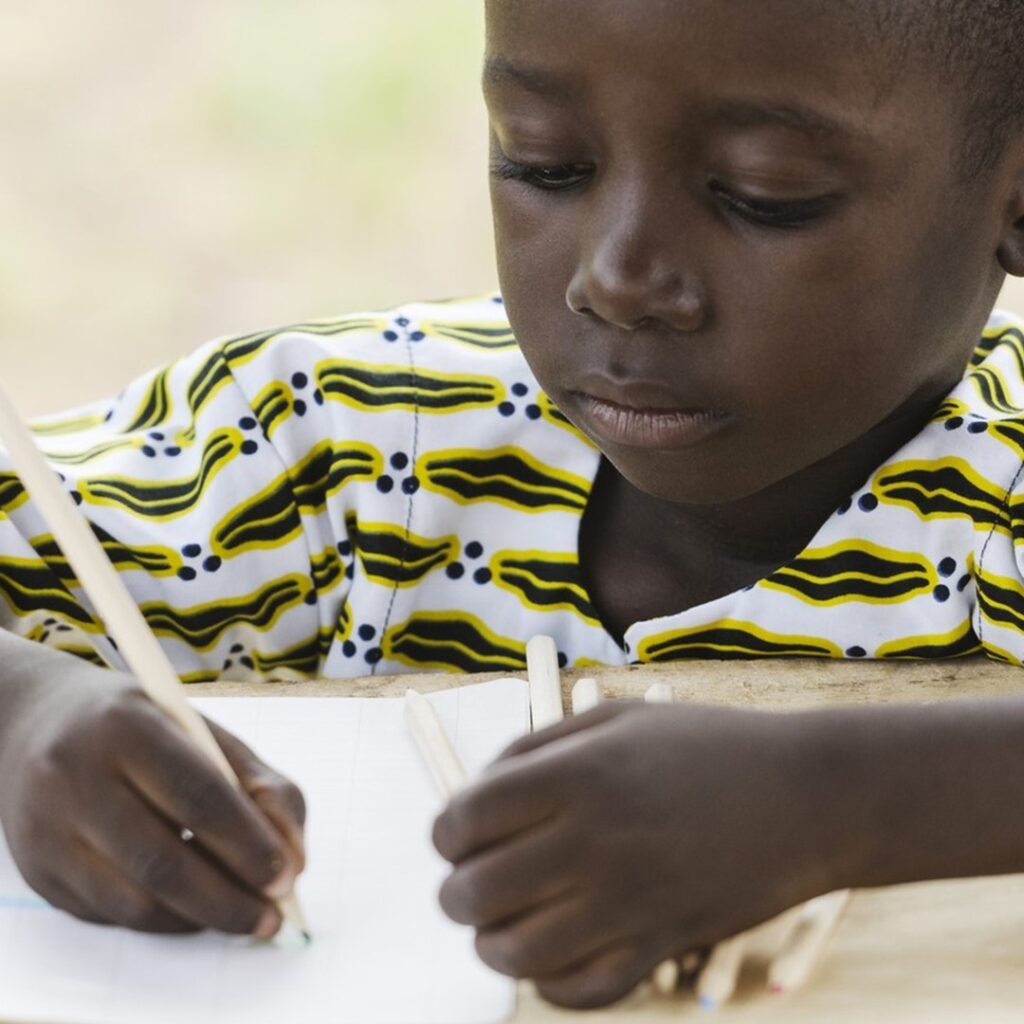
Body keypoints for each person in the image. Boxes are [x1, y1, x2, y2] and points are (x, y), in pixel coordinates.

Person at [2, 0, 1024, 1007]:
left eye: (763, 192)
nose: (615, 277)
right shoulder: (340, 447)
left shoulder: (997, 486)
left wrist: (835, 805)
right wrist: (23, 710)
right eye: (546, 164)